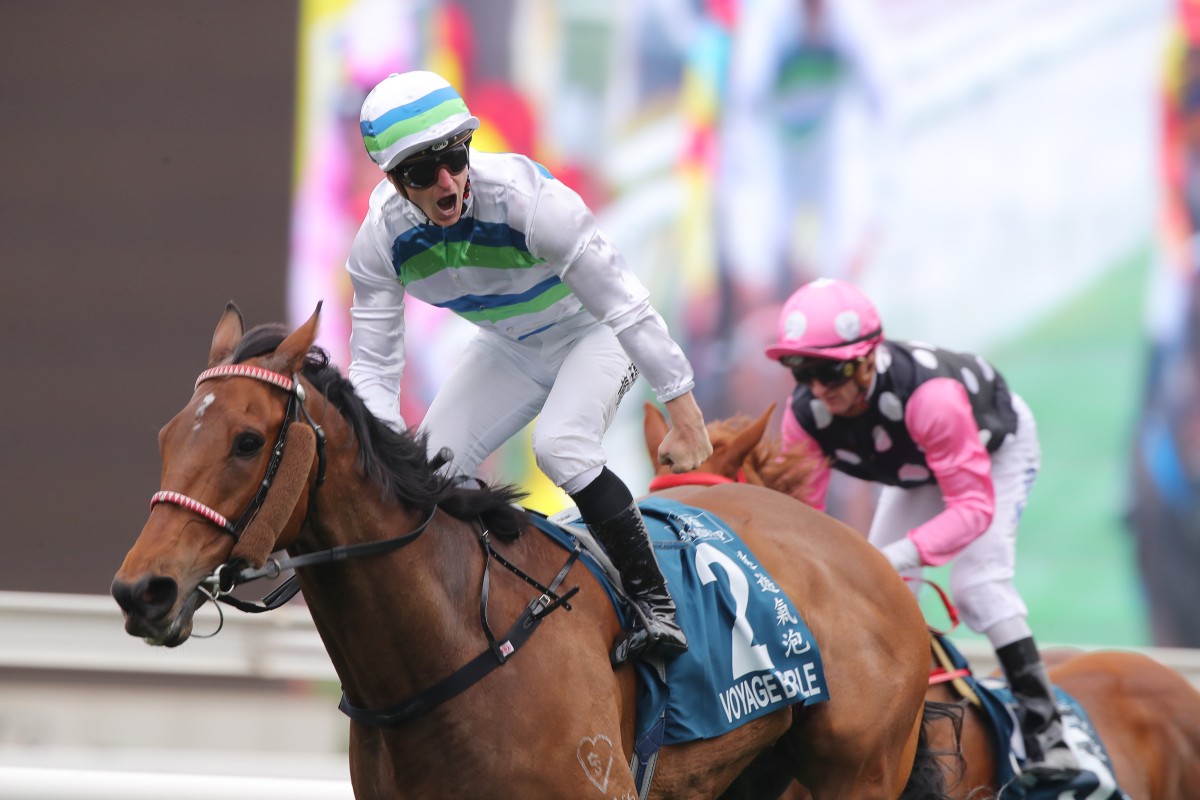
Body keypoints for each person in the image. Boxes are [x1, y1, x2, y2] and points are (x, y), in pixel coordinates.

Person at [345, 70, 713, 664]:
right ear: (392, 181)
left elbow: (624, 305)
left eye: (455, 155)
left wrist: (684, 407)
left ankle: (657, 606)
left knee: (561, 446)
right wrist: (380, 459)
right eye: (421, 171)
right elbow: (374, 371)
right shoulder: (379, 242)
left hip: (594, 331)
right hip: (508, 348)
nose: (446, 180)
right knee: (422, 471)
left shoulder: (526, 201)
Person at [764, 277, 1079, 781]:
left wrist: (894, 557)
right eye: (802, 370)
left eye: (832, 370)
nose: (820, 388)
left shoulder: (930, 397)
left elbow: (973, 508)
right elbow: (801, 518)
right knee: (875, 590)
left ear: (868, 358)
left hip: (991, 453)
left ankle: (1050, 735)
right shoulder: (807, 413)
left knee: (977, 585)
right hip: (915, 464)